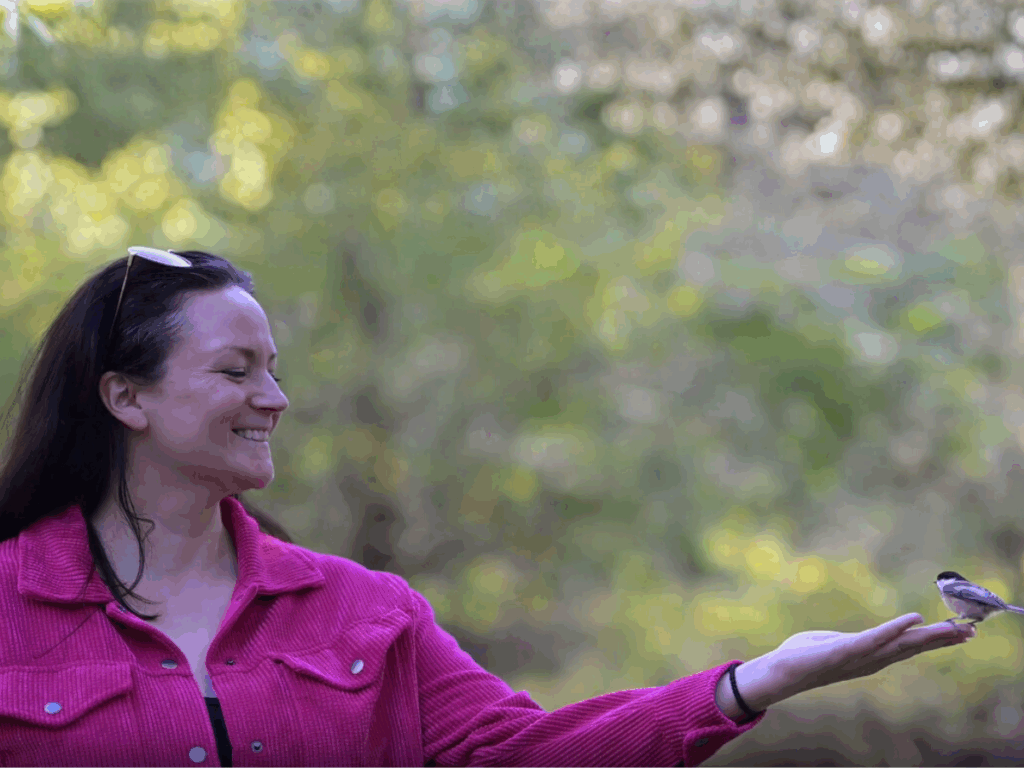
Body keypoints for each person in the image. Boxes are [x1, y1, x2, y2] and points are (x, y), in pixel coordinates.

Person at [0, 248, 975, 767]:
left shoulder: (365, 613)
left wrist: (746, 684)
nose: (276, 398)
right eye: (234, 370)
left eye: (275, 369)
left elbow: (524, 757)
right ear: (125, 396)